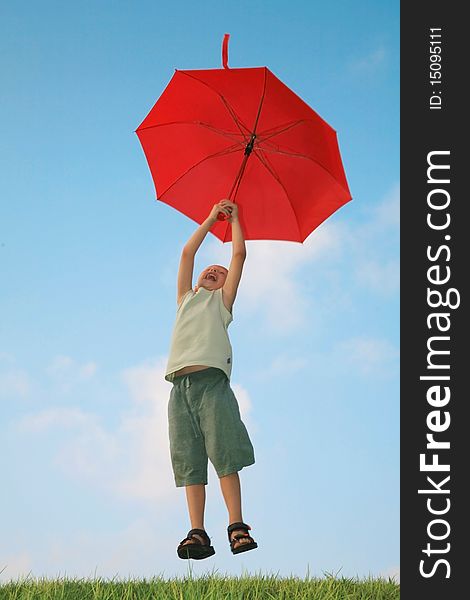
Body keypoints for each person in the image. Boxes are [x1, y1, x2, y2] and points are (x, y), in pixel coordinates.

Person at [165, 199, 258, 560]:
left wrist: (236, 219)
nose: (214, 271)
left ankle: (237, 526)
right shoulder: (185, 299)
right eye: (209, 269)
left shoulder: (222, 304)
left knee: (224, 454)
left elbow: (239, 256)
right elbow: (188, 252)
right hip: (179, 391)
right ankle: (197, 532)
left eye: (219, 274)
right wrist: (208, 218)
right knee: (189, 462)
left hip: (212, 387)